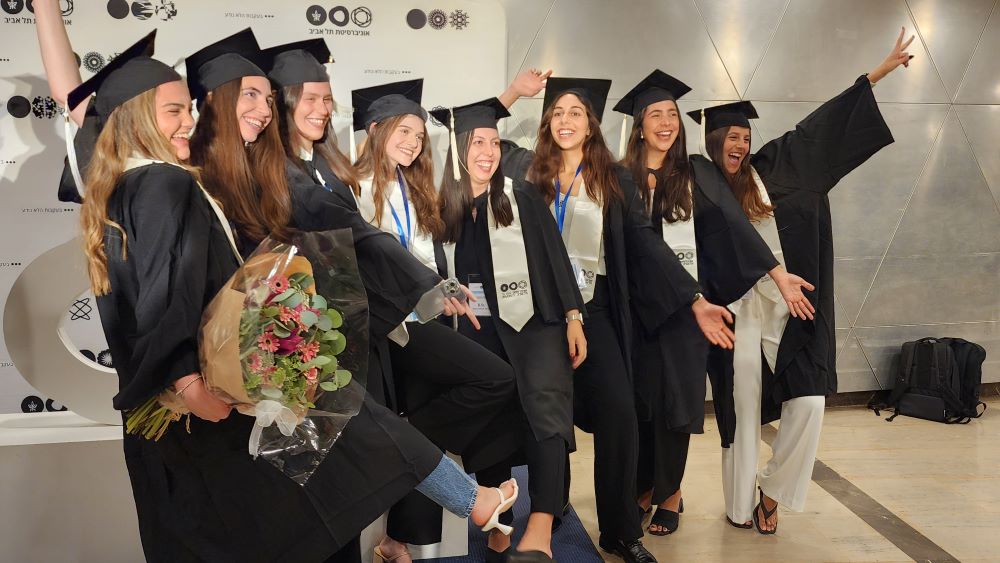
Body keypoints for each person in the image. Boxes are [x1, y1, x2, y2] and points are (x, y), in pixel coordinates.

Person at [60, 30, 516, 562]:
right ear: (137, 117)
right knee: (337, 445)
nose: (188, 120)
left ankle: (470, 500)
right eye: (174, 110)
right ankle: (471, 501)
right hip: (198, 390)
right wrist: (185, 379)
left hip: (200, 387)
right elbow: (165, 294)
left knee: (332, 445)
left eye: (188, 108)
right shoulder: (166, 182)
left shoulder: (124, 187)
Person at [499, 74, 736, 563]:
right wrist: (514, 94)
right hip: (543, 312)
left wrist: (694, 298)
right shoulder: (528, 170)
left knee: (619, 415)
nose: (566, 121)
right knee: (548, 415)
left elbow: (646, 242)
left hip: (597, 308)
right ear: (547, 123)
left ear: (591, 125)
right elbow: (477, 140)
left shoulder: (612, 178)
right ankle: (551, 503)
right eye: (558, 113)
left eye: (576, 113)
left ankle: (620, 530)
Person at [693, 29, 912, 534]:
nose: (740, 144)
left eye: (745, 137)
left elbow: (825, 126)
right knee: (741, 411)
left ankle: (771, 491)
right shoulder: (700, 186)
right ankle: (739, 506)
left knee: (810, 402)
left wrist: (877, 74)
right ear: (712, 142)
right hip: (737, 315)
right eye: (731, 137)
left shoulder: (781, 164)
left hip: (793, 310)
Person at [612, 70, 814, 536]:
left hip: (690, 307)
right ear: (639, 126)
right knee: (642, 401)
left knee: (678, 404)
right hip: (638, 306)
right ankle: (645, 485)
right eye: (655, 115)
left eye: (672, 114)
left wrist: (776, 273)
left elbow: (733, 223)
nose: (666, 123)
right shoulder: (621, 177)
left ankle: (669, 493)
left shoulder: (696, 171)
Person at [347, 79, 522, 561]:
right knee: (495, 378)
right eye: (403, 131)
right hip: (386, 327)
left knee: (442, 411)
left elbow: (422, 255)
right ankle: (407, 438)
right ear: (375, 129)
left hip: (423, 318)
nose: (413, 142)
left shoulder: (413, 185)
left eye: (419, 135)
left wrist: (441, 289)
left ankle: (398, 539)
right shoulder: (353, 187)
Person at [431, 98, 587, 562]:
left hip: (533, 321)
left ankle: (540, 525)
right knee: (490, 417)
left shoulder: (520, 196)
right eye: (477, 142)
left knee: (546, 408)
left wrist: (573, 316)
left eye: (494, 143)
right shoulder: (440, 205)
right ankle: (498, 514)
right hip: (474, 323)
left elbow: (556, 259)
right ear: (458, 149)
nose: (488, 152)